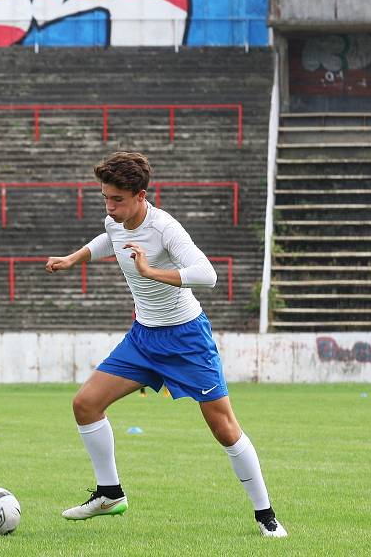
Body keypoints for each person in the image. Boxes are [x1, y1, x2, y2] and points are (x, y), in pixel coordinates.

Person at [45, 152, 287, 538]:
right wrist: (75, 258)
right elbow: (111, 237)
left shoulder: (165, 227)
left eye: (117, 199)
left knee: (224, 429)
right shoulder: (115, 220)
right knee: (85, 404)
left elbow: (206, 275)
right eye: (105, 198)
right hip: (143, 338)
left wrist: (150, 271)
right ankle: (110, 494)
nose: (109, 207)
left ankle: (267, 517)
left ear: (140, 195)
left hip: (186, 338)